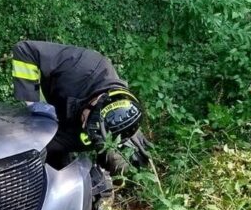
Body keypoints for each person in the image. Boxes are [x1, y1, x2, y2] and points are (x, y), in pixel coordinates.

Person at [11, 40, 151, 173]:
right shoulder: (80, 66)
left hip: (70, 124)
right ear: (95, 102)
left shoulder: (116, 120)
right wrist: (32, 102)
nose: (85, 124)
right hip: (52, 108)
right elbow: (24, 49)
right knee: (28, 150)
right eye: (88, 120)